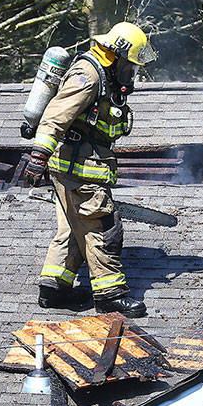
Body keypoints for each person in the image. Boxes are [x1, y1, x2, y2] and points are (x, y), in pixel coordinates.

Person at [26, 22, 155, 318]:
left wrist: (120, 94)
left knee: (72, 226)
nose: (131, 71)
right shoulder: (88, 76)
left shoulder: (104, 78)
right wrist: (38, 156)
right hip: (80, 168)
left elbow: (109, 124)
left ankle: (54, 289)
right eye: (129, 64)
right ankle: (110, 295)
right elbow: (55, 117)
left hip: (75, 166)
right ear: (116, 54)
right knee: (101, 227)